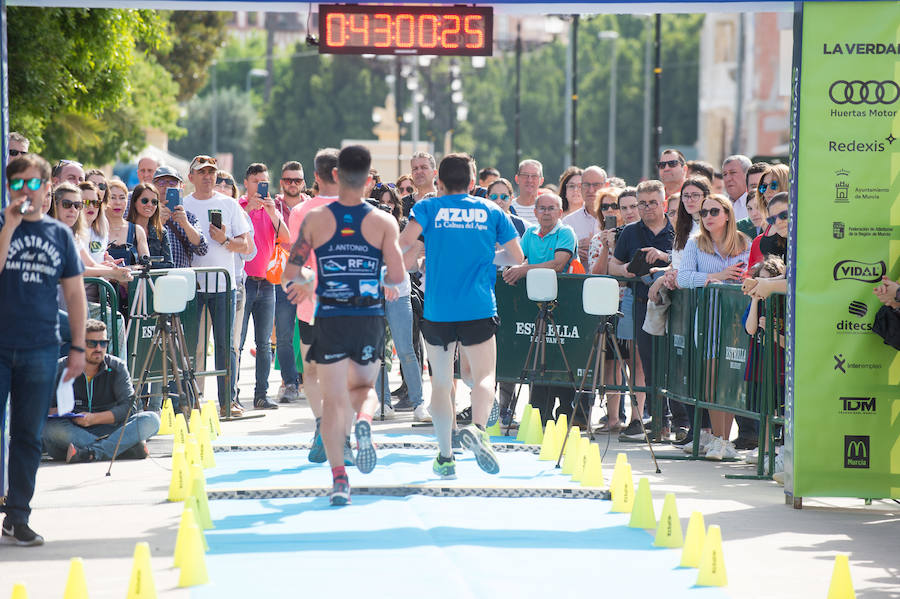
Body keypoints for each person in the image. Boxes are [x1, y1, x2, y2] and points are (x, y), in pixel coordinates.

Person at [283, 145, 406, 506]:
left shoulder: (316, 220)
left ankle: (340, 481)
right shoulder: (383, 221)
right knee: (364, 387)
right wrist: (378, 275)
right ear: (369, 180)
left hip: (331, 316)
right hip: (368, 316)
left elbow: (292, 271)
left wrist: (309, 282)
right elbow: (398, 276)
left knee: (334, 401)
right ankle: (365, 420)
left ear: (336, 176)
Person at [399, 152, 522, 481]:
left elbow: (404, 244)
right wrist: (483, 257)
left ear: (438, 181)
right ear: (472, 182)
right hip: (478, 306)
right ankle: (479, 430)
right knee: (484, 376)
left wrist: (422, 262)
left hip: (438, 308)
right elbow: (516, 256)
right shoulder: (492, 210)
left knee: (441, 382)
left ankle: (445, 455)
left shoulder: (426, 208)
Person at [1, 153, 86, 546]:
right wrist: (10, 226)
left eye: (32, 183)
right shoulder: (3, 224)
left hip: (39, 345)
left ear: (46, 187)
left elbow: (74, 292)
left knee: (28, 435)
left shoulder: (60, 235)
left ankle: (18, 515)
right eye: (17, 183)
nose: (25, 191)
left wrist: (79, 345)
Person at [288, 148, 355, 465]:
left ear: (314, 177)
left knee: (312, 374)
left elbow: (294, 264)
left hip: (311, 303)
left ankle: (320, 427)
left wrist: (307, 278)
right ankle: (344, 438)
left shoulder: (301, 211)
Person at [676, 194, 750, 460]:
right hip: (706, 319)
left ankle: (723, 440)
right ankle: (718, 438)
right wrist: (716, 277)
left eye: (714, 212)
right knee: (710, 380)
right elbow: (683, 278)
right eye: (704, 213)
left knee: (729, 381)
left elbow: (753, 276)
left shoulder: (745, 243)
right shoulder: (695, 244)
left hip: (735, 322)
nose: (707, 217)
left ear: (727, 214)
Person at [503, 193, 582, 426]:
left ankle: (566, 413)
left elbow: (558, 264)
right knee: (538, 358)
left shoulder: (565, 232)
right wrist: (515, 268)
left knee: (561, 356)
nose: (547, 212)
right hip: (536, 303)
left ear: (560, 212)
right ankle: (540, 413)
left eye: (551, 208)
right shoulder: (529, 233)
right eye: (542, 208)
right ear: (535, 212)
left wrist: (523, 270)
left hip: (565, 303)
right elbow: (522, 259)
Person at [183, 155, 253, 415]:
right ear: (191, 177)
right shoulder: (183, 204)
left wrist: (224, 239)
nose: (207, 176)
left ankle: (228, 401)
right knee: (194, 346)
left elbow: (245, 246)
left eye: (211, 172)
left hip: (223, 286)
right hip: (193, 286)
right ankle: (192, 401)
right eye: (201, 172)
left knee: (226, 345)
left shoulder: (230, 204)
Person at [608, 180, 674, 440]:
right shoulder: (630, 232)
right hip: (642, 303)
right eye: (642, 203)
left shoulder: (677, 229)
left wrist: (664, 257)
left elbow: (684, 260)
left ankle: (680, 421)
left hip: (678, 303)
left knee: (676, 363)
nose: (647, 208)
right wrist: (624, 270)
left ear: (663, 203)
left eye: (652, 203)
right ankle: (658, 420)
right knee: (648, 363)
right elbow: (614, 266)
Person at [42, 319, 160, 463]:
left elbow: (129, 408)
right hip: (73, 432)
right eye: (92, 344)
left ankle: (92, 452)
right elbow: (41, 410)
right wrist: (62, 413)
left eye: (103, 343)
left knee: (151, 420)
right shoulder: (60, 369)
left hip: (111, 429)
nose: (99, 348)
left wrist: (94, 418)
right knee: (50, 429)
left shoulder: (117, 367)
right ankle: (122, 449)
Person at [370, 183, 428, 422]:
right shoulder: (364, 231)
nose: (387, 207)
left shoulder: (405, 228)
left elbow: (412, 260)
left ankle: (418, 404)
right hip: (372, 296)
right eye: (381, 203)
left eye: (391, 202)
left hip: (400, 293)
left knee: (406, 350)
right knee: (376, 353)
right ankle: (383, 402)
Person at [238, 163, 289, 410]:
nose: (260, 185)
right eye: (256, 181)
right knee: (236, 341)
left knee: (265, 344)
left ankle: (261, 394)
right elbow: (235, 234)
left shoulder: (273, 208)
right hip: (244, 282)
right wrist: (250, 208)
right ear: (246, 183)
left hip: (267, 283)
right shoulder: (237, 208)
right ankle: (232, 394)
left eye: (264, 181)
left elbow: (287, 238)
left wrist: (271, 213)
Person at [273, 161, 309, 404]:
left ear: (304, 182)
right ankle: (291, 382)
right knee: (284, 334)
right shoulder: (272, 206)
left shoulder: (312, 207)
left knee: (312, 333)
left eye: (297, 180)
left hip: (308, 276)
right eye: (288, 180)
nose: (292, 184)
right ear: (281, 182)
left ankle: (310, 379)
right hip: (282, 277)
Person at [153, 166, 208, 270]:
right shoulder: (145, 214)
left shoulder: (188, 217)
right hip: (153, 279)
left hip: (181, 279)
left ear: (181, 187)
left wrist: (185, 225)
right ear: (153, 187)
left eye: (172, 183)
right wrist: (157, 223)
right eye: (161, 182)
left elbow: (202, 249)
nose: (166, 187)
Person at [564, 166, 605, 265]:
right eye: (586, 185)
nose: (591, 190)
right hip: (579, 279)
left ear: (606, 185)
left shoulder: (619, 217)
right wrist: (574, 254)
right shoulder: (568, 222)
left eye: (596, 185)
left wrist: (596, 246)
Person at [128, 182, 174, 268]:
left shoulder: (161, 232)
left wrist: (144, 267)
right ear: (134, 202)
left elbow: (169, 265)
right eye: (145, 201)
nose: (149, 205)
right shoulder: (125, 230)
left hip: (155, 281)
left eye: (154, 202)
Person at [106, 180, 149, 268]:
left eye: (122, 198)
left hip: (131, 280)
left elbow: (146, 264)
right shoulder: (96, 229)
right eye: (112, 197)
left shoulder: (137, 231)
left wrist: (129, 269)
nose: (118, 202)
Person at [401, 152, 438, 216]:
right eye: (415, 169)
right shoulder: (402, 204)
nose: (419, 171)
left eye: (424, 167)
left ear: (434, 172)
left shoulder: (444, 201)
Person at [511, 159, 544, 227]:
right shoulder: (509, 207)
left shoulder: (548, 209)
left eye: (534, 176)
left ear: (541, 181)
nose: (529, 180)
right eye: (525, 175)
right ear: (517, 179)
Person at [721, 155, 751, 221]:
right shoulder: (720, 205)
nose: (728, 178)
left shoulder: (758, 205)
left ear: (747, 174)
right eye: (725, 174)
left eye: (733, 172)